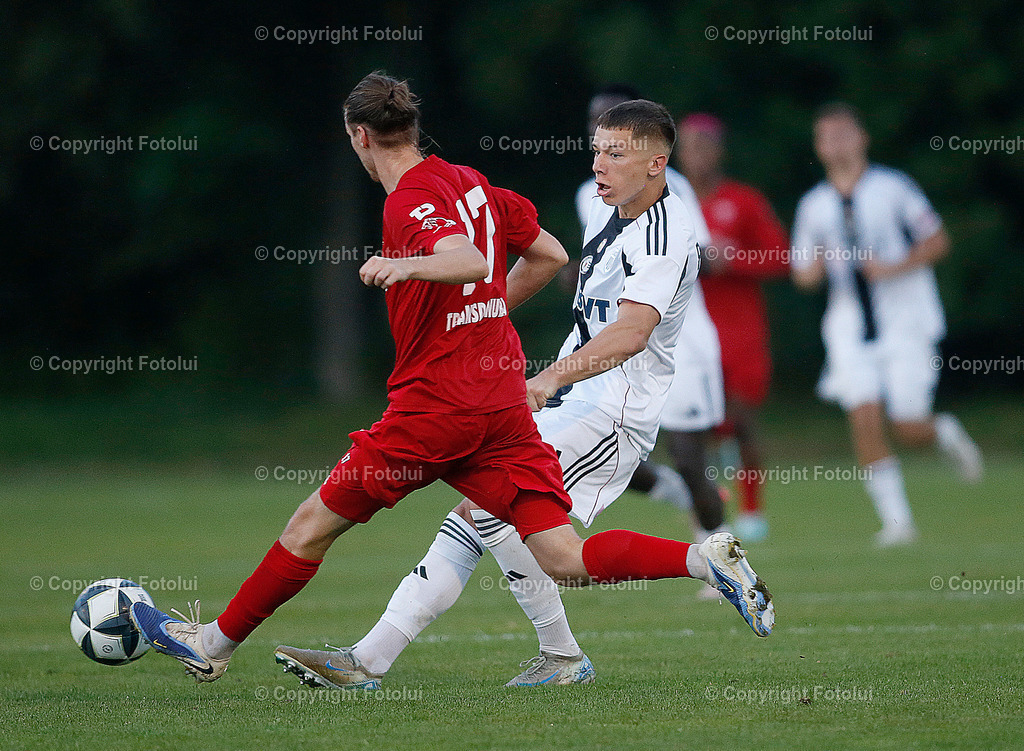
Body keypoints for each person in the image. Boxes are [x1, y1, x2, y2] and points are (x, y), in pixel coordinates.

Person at [127, 73, 774, 686]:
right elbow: (548, 254)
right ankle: (698, 559)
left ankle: (210, 646)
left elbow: (461, 256)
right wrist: (483, 308)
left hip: (436, 409)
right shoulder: (470, 182)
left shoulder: (410, 200)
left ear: (359, 136)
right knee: (562, 555)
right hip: (500, 409)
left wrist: (402, 266)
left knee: (309, 525)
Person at [791, 101, 983, 547]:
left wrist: (894, 266)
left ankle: (944, 431)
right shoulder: (814, 205)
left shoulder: (893, 188)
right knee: (863, 415)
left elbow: (936, 240)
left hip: (905, 320)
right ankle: (898, 522)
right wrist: (813, 268)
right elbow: (802, 274)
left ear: (862, 138)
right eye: (827, 135)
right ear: (818, 147)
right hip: (849, 324)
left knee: (908, 427)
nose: (836, 143)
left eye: (844, 133)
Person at [577, 86, 730, 547]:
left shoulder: (668, 184)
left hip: (675, 339)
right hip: (618, 341)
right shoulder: (590, 191)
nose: (599, 132)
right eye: (594, 122)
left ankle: (721, 549)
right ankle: (679, 496)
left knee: (688, 456)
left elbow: (696, 253)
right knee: (601, 451)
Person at [676, 113, 790, 543]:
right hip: (690, 335)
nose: (697, 156)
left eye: (705, 145)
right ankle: (709, 513)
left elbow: (781, 257)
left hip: (740, 331)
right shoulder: (671, 202)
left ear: (719, 150)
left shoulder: (742, 200)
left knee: (740, 420)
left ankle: (752, 509)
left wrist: (733, 258)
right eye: (689, 146)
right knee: (698, 430)